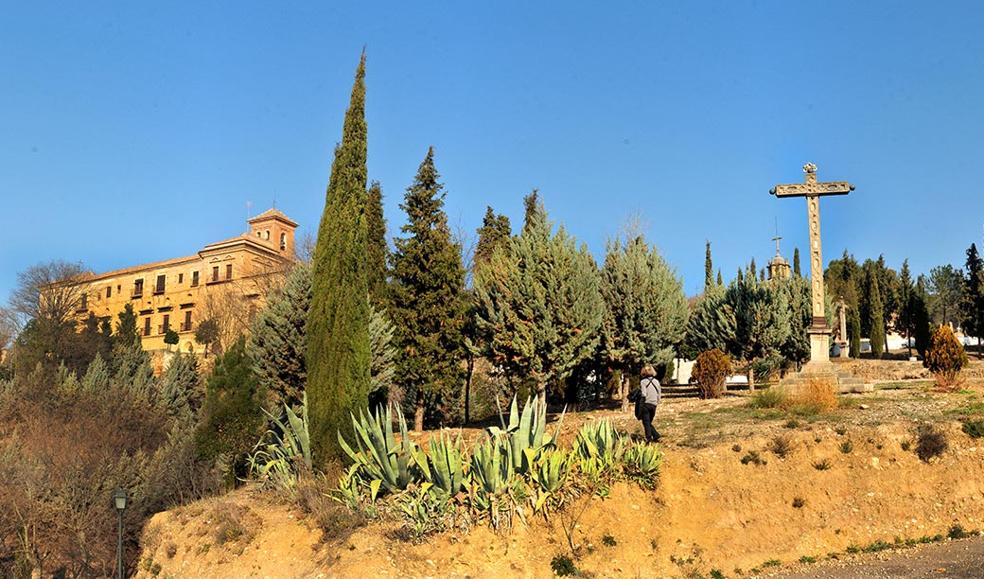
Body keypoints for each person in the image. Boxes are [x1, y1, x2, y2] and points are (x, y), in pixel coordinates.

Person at [637, 365, 662, 443]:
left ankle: (649, 439)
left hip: (646, 404)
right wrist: (657, 401)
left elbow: (644, 394)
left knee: (646, 423)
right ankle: (656, 436)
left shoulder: (643, 382)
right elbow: (659, 393)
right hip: (654, 405)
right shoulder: (656, 381)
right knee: (648, 422)